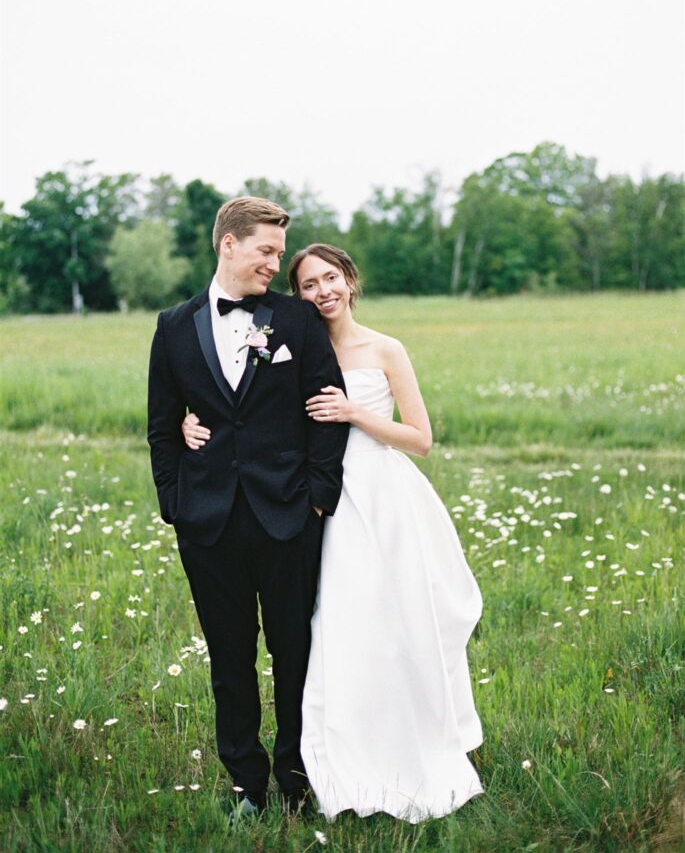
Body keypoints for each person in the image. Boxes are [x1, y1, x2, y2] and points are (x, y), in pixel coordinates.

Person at [182, 242, 485, 823]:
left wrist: (355, 414)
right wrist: (187, 418)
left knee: (396, 627)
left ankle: (411, 744)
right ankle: (333, 759)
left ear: (350, 279)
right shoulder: (290, 342)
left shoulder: (385, 348)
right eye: (308, 285)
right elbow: (245, 405)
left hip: (382, 500)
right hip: (317, 504)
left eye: (331, 279)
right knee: (335, 632)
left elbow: (420, 439)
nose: (323, 292)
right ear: (296, 297)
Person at [147, 199, 349, 820]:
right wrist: (174, 504)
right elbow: (160, 426)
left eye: (279, 253)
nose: (275, 263)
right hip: (207, 523)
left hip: (290, 517)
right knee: (229, 660)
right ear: (228, 245)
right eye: (266, 251)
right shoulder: (173, 326)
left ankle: (296, 779)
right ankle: (246, 786)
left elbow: (328, 409)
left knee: (295, 653)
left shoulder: (296, 320)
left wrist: (319, 499)